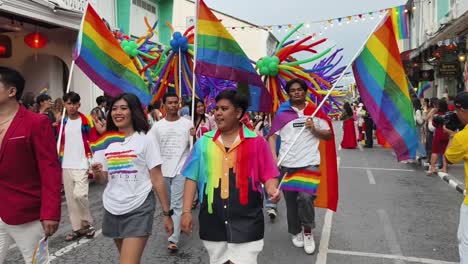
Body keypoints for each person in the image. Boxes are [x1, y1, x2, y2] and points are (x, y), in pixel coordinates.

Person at [181, 89, 280, 264]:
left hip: (247, 220)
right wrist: (186, 212)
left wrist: (272, 189)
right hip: (213, 220)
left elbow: (269, 174)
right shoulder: (204, 142)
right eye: (216, 109)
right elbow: (191, 177)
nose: (218, 113)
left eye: (224, 109)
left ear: (238, 112)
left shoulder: (257, 142)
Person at [91, 93, 174, 263]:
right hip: (112, 206)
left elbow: (157, 179)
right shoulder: (107, 142)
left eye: (123, 108)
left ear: (133, 111)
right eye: (114, 109)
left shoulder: (146, 140)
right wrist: (98, 172)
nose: (117, 112)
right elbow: (103, 181)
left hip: (139, 207)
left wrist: (167, 213)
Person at [0, 67, 62, 262]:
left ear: (12, 91)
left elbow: (50, 170)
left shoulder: (36, 123)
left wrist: (50, 212)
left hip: (27, 212)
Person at [268, 78, 333, 255]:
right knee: (291, 202)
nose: (296, 92)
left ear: (305, 92)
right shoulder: (282, 114)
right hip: (288, 165)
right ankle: (295, 231)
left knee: (305, 198)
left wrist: (314, 129)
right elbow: (272, 136)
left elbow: (327, 136)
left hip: (310, 162)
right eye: (293, 90)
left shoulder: (316, 112)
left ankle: (307, 231)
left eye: (299, 90)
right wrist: (274, 157)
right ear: (289, 93)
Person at [149, 93, 194, 252]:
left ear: (179, 104)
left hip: (181, 169)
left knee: (177, 204)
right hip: (162, 171)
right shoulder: (157, 127)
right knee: (167, 205)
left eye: (176, 102)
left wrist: (194, 136)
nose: (173, 105)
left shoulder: (188, 124)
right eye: (170, 103)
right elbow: (151, 148)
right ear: (164, 105)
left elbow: (193, 148)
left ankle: (173, 238)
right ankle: (175, 224)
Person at [58, 91, 103, 241]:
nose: (71, 107)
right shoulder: (62, 122)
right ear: (65, 104)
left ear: (79, 105)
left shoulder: (86, 121)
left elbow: (93, 140)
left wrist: (93, 161)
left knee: (80, 195)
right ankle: (77, 228)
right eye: (68, 103)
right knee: (71, 200)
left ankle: (88, 224)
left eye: (74, 103)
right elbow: (58, 142)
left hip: (82, 163)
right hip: (66, 164)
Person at [445, 92, 468, 263]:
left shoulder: (463, 137)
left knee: (465, 241)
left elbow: (449, 157)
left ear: (464, 110)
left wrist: (452, 134)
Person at [427, 99, 450, 175]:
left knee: (435, 151)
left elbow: (433, 125)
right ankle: (444, 168)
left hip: (438, 134)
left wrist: (431, 118)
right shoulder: (448, 114)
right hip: (447, 134)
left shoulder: (437, 114)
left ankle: (432, 168)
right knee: (445, 152)